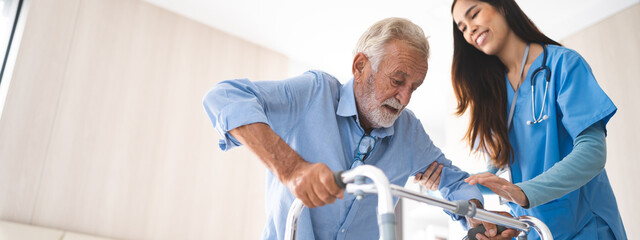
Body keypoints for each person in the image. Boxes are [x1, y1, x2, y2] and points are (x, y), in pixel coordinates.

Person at [203, 17, 492, 240]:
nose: (404, 98)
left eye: (413, 88)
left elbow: (455, 182)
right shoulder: (314, 93)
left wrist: (480, 218)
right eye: (397, 80)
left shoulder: (409, 132)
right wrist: (292, 169)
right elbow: (225, 96)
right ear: (360, 66)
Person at [416, 1, 627, 239]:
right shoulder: (491, 97)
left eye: (474, 14)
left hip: (587, 228)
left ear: (503, 6)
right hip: (536, 231)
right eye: (462, 28)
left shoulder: (563, 64)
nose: (470, 30)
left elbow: (592, 152)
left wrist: (522, 192)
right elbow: (501, 178)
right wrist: (446, 183)